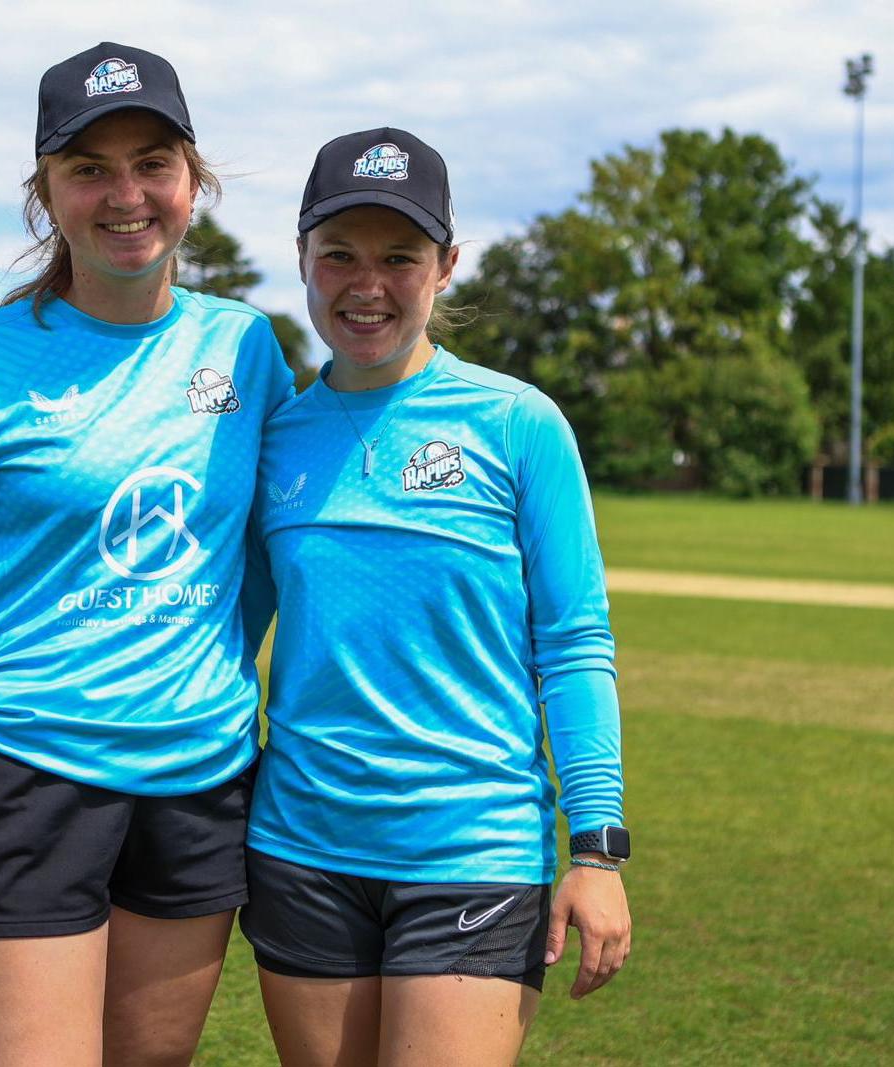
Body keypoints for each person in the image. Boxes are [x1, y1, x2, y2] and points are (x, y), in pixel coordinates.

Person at [0, 43, 292, 1066]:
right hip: (26, 774)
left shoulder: (246, 351)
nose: (125, 195)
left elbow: (270, 556)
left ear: (193, 182)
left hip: (198, 778)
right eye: (88, 168)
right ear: (45, 193)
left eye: (152, 162)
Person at [239, 128, 631, 1067]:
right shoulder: (274, 436)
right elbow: (228, 628)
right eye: (338, 255)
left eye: (399, 258)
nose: (364, 285)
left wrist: (598, 850)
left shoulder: (516, 422)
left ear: (446, 265)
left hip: (473, 849)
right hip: (302, 846)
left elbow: (572, 642)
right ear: (302, 258)